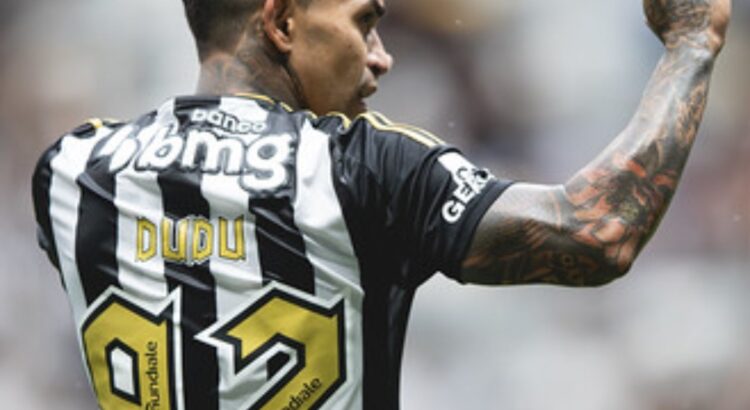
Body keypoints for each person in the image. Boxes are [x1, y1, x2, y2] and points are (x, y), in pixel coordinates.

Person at [32, 0, 731, 408]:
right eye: (363, 21)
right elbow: (597, 230)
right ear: (281, 21)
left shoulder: (71, 171)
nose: (381, 56)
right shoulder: (360, 166)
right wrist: (691, 44)